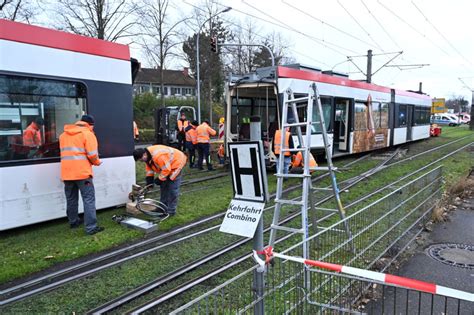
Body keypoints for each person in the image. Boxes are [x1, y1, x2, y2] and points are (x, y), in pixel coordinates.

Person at [59, 114, 104, 235]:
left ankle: (73, 221)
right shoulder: (88, 134)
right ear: (90, 125)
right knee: (89, 199)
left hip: (67, 173)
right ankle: (91, 227)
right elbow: (92, 154)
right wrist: (98, 162)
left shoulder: (63, 135)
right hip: (82, 173)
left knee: (71, 198)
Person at [133, 145, 187, 216]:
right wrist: (149, 181)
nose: (141, 161)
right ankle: (162, 208)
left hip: (177, 163)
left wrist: (159, 179)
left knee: (172, 188)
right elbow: (150, 169)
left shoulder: (158, 156)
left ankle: (171, 211)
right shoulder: (147, 155)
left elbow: (167, 169)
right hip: (167, 166)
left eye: (141, 160)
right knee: (163, 186)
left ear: (144, 154)